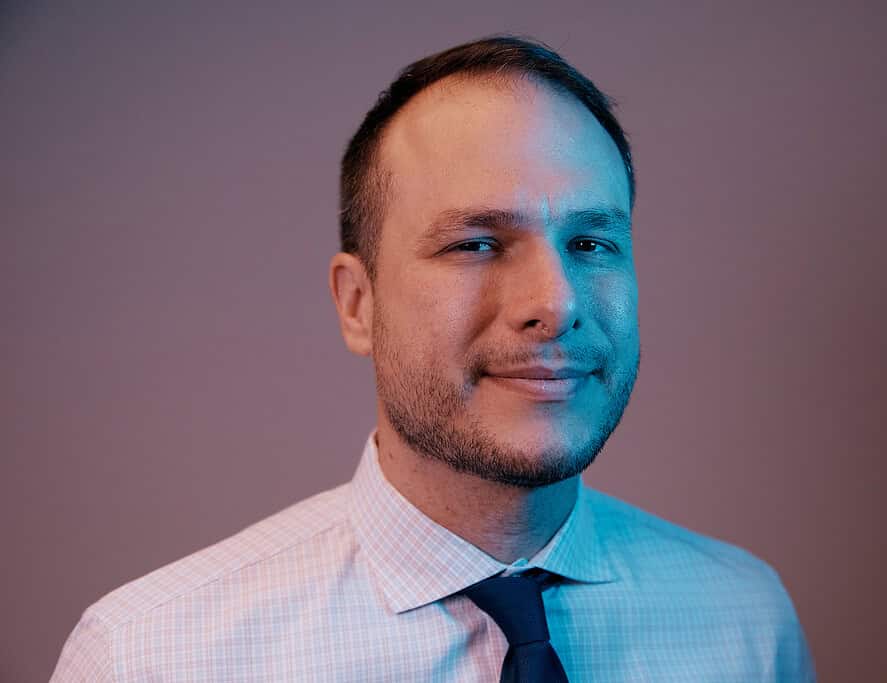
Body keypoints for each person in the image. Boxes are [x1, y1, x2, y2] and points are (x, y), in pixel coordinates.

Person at [52, 35, 815, 682]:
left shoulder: (745, 620)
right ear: (358, 303)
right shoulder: (151, 656)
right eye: (475, 243)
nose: (555, 302)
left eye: (589, 243)